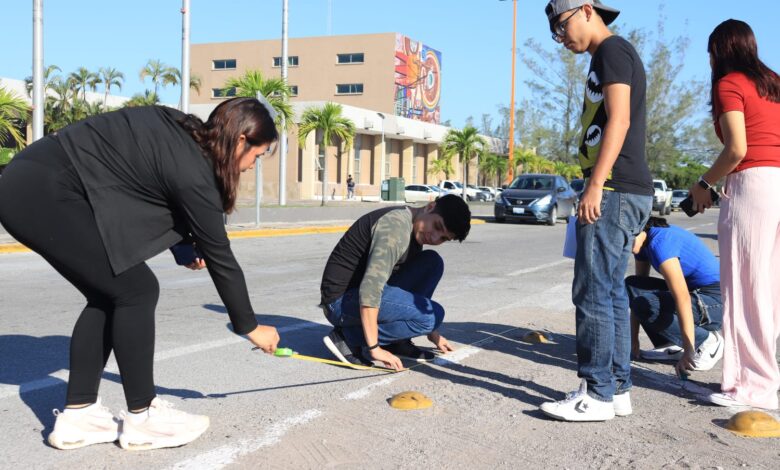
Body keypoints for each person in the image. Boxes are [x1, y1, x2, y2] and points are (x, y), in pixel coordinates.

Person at [0, 97, 282, 450]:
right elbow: (220, 254)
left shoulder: (182, 132)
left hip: (30, 181)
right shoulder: (194, 171)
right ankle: (142, 416)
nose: (252, 166)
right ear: (241, 140)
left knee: (109, 292)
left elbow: (151, 182)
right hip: (45, 191)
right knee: (137, 290)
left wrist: (182, 248)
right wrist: (250, 326)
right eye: (257, 155)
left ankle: (79, 414)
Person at [539, 0, 653, 422]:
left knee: (591, 292)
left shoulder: (612, 51)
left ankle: (597, 392)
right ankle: (617, 389)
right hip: (623, 190)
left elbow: (618, 121)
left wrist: (596, 184)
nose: (561, 37)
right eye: (555, 32)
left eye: (562, 25)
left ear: (587, 10)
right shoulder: (607, 55)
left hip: (615, 190)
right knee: (608, 291)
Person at [690, 19, 780, 410]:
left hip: (752, 186)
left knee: (744, 289)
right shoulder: (773, 83)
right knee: (770, 290)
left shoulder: (729, 84)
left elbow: (737, 149)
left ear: (718, 51)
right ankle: (766, 379)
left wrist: (704, 185)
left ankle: (752, 386)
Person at [319, 195, 470, 371]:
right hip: (340, 303)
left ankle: (396, 342)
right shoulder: (396, 228)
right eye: (437, 227)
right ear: (430, 207)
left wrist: (433, 334)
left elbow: (413, 299)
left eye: (443, 238)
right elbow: (370, 289)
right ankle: (348, 338)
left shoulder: (415, 228)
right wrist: (374, 348)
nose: (435, 238)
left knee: (432, 262)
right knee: (432, 316)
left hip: (357, 295)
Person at [625, 217, 724, 378]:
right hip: (696, 293)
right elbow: (637, 294)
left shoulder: (660, 243)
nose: (622, 247)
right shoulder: (643, 244)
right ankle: (671, 344)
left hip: (717, 299)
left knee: (650, 304)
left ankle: (706, 341)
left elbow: (682, 297)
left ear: (638, 229)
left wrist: (689, 349)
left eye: (623, 240)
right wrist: (634, 341)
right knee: (632, 283)